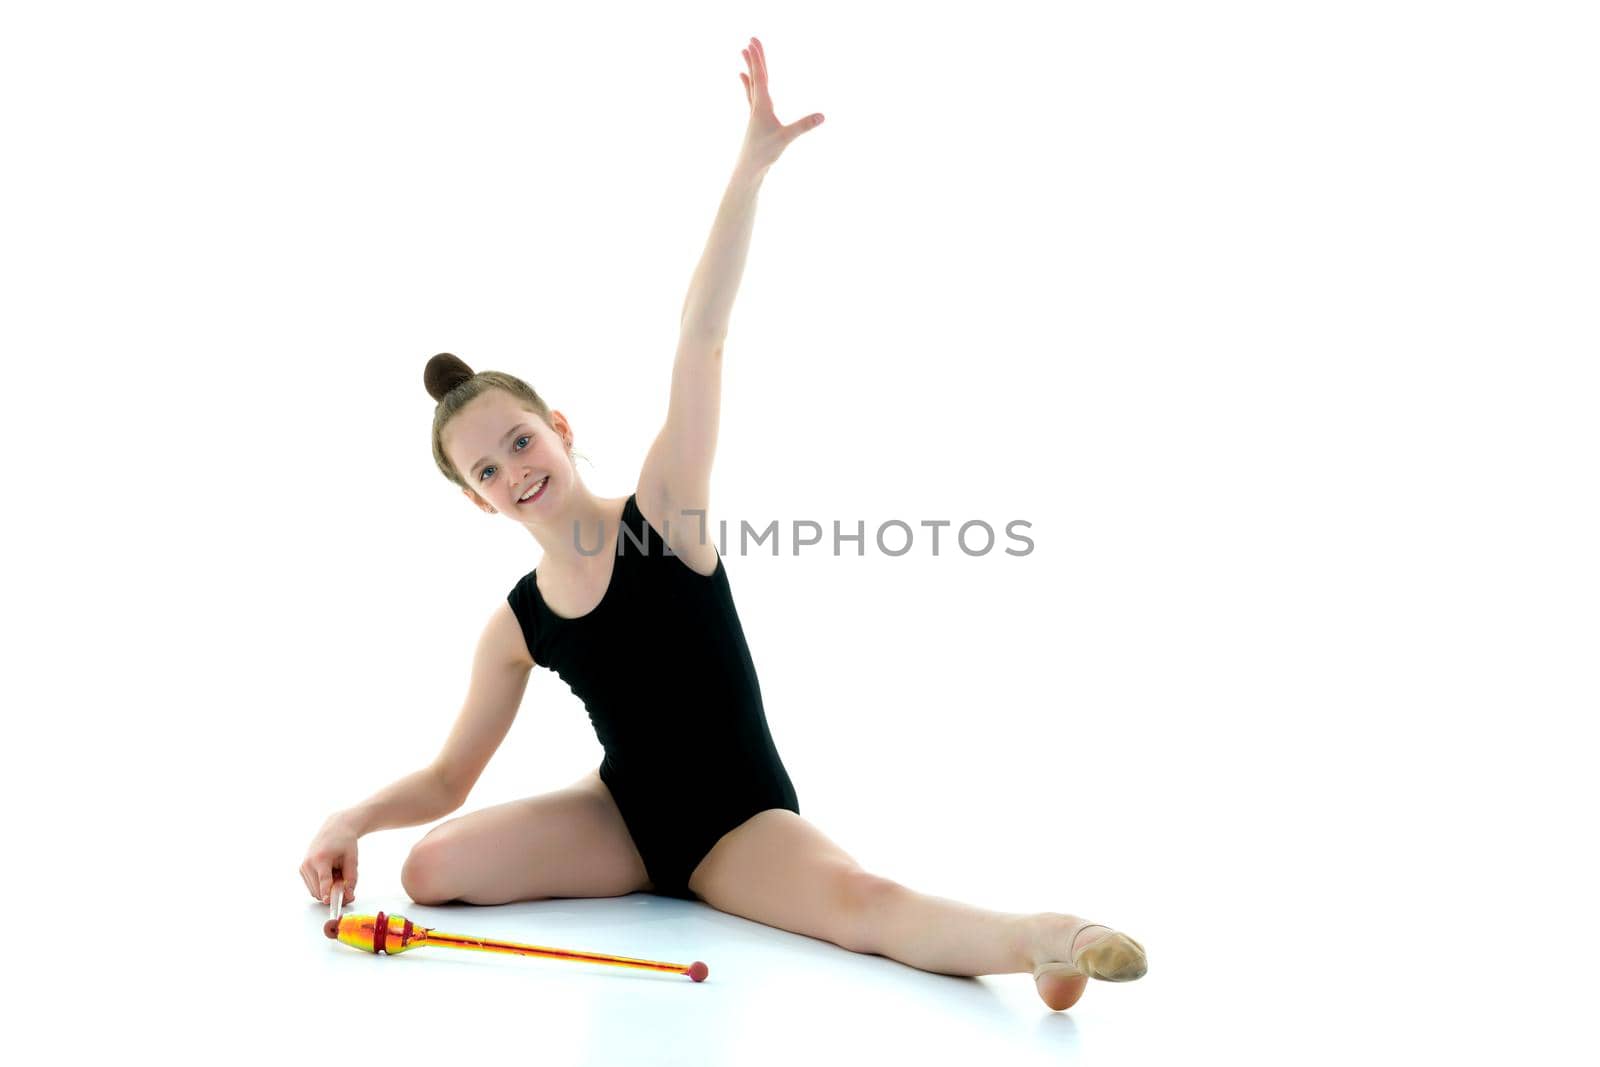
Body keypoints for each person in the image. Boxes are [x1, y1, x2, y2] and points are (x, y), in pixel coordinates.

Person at [299, 35, 1146, 1012]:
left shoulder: (664, 510)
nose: (514, 471)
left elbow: (700, 336)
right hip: (622, 814)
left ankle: (1049, 935)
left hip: (733, 818)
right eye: (487, 469)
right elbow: (450, 774)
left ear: (559, 429)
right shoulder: (515, 623)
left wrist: (749, 166)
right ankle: (650, 871)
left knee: (862, 905)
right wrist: (348, 819)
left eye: (521, 442)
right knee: (433, 868)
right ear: (472, 496)